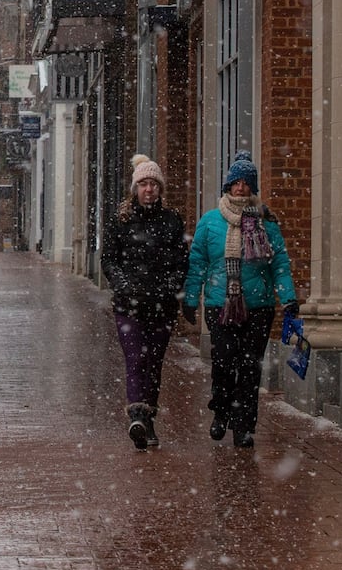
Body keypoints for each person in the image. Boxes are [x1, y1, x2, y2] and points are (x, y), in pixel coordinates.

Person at [183, 150, 298, 448]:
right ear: (227, 186)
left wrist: (288, 299)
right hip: (221, 304)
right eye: (236, 182)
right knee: (223, 362)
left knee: (249, 367)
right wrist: (191, 298)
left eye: (247, 182)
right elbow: (197, 263)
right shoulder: (210, 222)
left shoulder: (266, 224)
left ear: (254, 187)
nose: (241, 188)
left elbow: (280, 265)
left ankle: (244, 425)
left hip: (258, 306)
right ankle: (221, 413)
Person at [103, 154, 187, 450]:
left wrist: (171, 286)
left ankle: (148, 420)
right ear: (135, 189)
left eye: (153, 184)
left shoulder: (172, 220)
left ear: (160, 189)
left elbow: (181, 261)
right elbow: (109, 259)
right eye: (143, 184)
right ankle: (137, 416)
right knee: (136, 358)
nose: (148, 189)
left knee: (154, 363)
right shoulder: (121, 220)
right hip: (129, 305)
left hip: (161, 306)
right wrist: (123, 284)